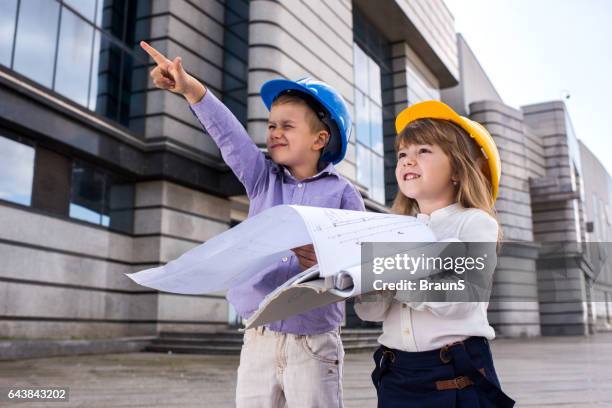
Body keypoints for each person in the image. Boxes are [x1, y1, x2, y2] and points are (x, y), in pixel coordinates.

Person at [140, 41, 365, 408]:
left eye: (287, 125)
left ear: (320, 139)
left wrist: (326, 264)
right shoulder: (262, 177)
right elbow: (229, 136)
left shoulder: (343, 194)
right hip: (258, 336)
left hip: (314, 341)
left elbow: (359, 268)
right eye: (271, 124)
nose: (274, 131)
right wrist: (192, 90)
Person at [354, 100, 515, 407]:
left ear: (457, 169)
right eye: (402, 154)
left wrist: (398, 281)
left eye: (423, 151)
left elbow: (462, 297)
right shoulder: (392, 231)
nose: (407, 160)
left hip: (455, 372)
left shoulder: (475, 223)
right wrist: (363, 284)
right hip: (395, 374)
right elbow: (370, 313)